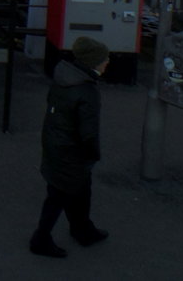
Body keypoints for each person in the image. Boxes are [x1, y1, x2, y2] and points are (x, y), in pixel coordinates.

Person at [30, 36, 110, 258]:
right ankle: (41, 238)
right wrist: (92, 154)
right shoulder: (87, 91)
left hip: (56, 143)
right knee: (60, 194)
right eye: (104, 59)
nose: (108, 62)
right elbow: (89, 132)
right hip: (72, 151)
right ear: (93, 62)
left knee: (77, 189)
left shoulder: (63, 77)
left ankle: (83, 229)